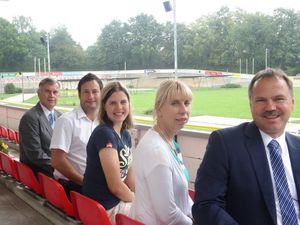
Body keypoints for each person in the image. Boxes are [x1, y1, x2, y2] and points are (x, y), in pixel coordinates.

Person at [192, 68, 300, 225]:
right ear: (251, 105)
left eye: (279, 99)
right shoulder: (224, 144)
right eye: (261, 100)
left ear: (292, 103)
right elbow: (206, 205)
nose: (270, 107)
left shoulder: (298, 147)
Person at [130, 79, 194, 225]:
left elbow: (182, 197)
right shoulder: (156, 151)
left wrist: (196, 213)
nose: (184, 110)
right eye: (175, 103)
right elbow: (168, 215)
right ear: (159, 109)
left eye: (187, 103)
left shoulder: (169, 143)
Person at [82, 81, 134, 224]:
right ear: (104, 106)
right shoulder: (104, 134)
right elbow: (116, 186)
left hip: (116, 201)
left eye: (123, 102)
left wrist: (142, 195)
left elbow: (130, 176)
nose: (119, 107)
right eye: (112, 103)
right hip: (105, 207)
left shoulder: (125, 135)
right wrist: (138, 200)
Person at [50, 73, 103, 195]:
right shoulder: (66, 121)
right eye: (86, 92)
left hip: (97, 184)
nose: (91, 96)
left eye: (95, 91)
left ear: (101, 94)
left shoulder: (104, 122)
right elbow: (57, 161)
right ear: (79, 95)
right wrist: (85, 182)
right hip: (73, 185)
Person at [19, 77, 61, 177]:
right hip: (40, 173)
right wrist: (61, 168)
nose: (51, 95)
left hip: (57, 169)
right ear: (38, 93)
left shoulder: (61, 116)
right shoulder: (30, 118)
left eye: (55, 92)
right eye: (47, 91)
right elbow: (35, 154)